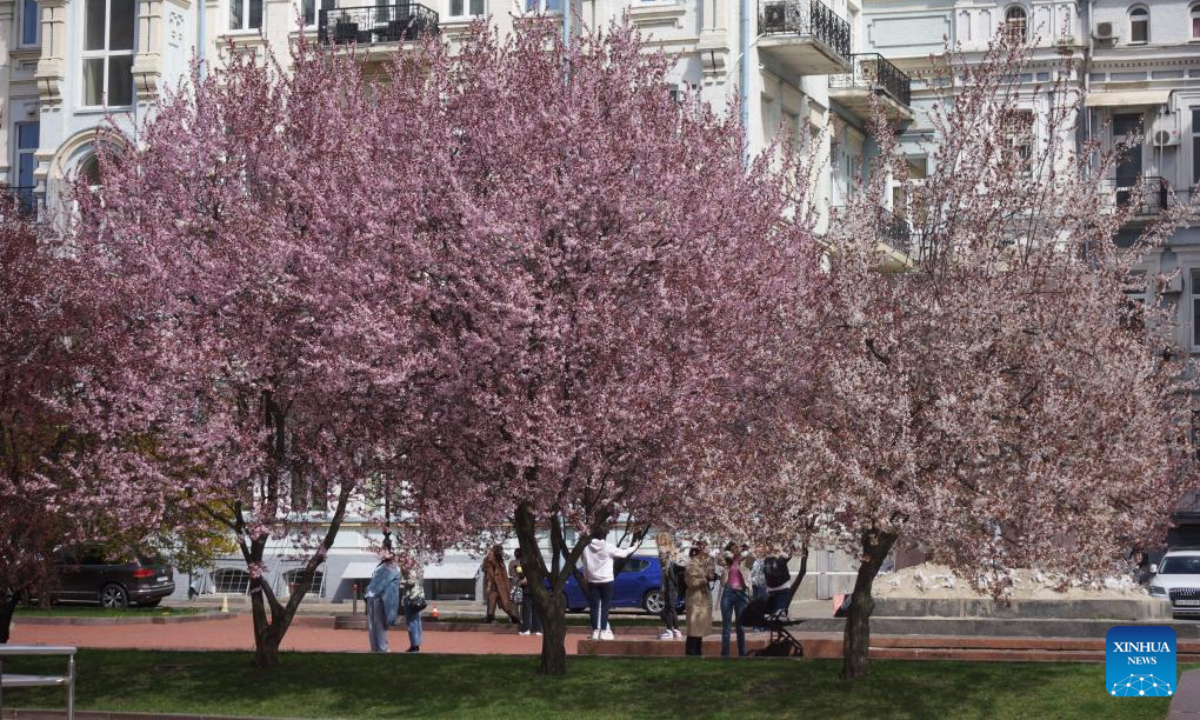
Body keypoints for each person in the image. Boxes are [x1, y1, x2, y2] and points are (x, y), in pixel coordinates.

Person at [582, 530, 640, 640]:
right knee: (605, 606)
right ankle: (603, 631)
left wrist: (586, 578)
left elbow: (585, 564)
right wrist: (634, 547)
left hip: (593, 581)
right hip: (607, 580)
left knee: (594, 607)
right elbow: (623, 554)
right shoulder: (608, 547)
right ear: (605, 536)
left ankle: (595, 631)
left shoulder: (586, 548)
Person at [718, 541, 754, 657]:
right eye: (734, 547)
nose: (737, 548)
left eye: (738, 546)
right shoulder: (726, 561)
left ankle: (742, 654)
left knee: (740, 626)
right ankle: (725, 655)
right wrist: (724, 553)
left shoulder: (745, 560)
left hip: (741, 593)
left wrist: (748, 550)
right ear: (731, 549)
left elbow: (753, 557)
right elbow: (718, 558)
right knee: (726, 627)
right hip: (728, 592)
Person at [364, 554, 401, 653]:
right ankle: (382, 647)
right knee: (380, 623)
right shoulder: (391, 567)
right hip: (380, 597)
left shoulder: (379, 567)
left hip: (371, 595)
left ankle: (375, 647)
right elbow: (384, 583)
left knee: (372, 624)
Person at [684, 543, 716, 656]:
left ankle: (698, 653)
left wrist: (712, 576)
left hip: (703, 600)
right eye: (704, 551)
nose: (706, 553)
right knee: (694, 630)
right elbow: (692, 583)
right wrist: (705, 578)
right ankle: (691, 653)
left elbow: (707, 574)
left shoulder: (703, 564)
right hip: (695, 600)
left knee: (699, 630)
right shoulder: (691, 564)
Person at [482, 544, 518, 624]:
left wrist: (508, 587)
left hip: (501, 586)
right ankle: (490, 617)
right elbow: (486, 571)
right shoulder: (488, 562)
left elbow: (504, 576)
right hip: (494, 586)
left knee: (503, 604)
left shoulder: (500, 562)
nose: (490, 555)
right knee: (493, 598)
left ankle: (512, 617)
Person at [656, 532, 682, 640]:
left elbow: (664, 567)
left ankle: (669, 630)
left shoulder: (663, 550)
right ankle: (676, 630)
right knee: (672, 607)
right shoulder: (674, 551)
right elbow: (679, 543)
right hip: (674, 582)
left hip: (668, 581)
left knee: (668, 607)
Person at [511, 549, 542, 636]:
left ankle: (526, 629)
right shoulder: (537, 563)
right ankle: (537, 629)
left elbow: (521, 577)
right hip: (537, 588)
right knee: (536, 610)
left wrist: (523, 580)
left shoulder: (520, 564)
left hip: (527, 589)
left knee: (526, 610)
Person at [401, 557, 425, 653]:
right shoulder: (418, 570)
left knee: (412, 622)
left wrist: (402, 581)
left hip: (411, 599)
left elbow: (411, 582)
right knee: (416, 621)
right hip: (416, 598)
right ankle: (416, 643)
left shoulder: (412, 571)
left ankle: (414, 645)